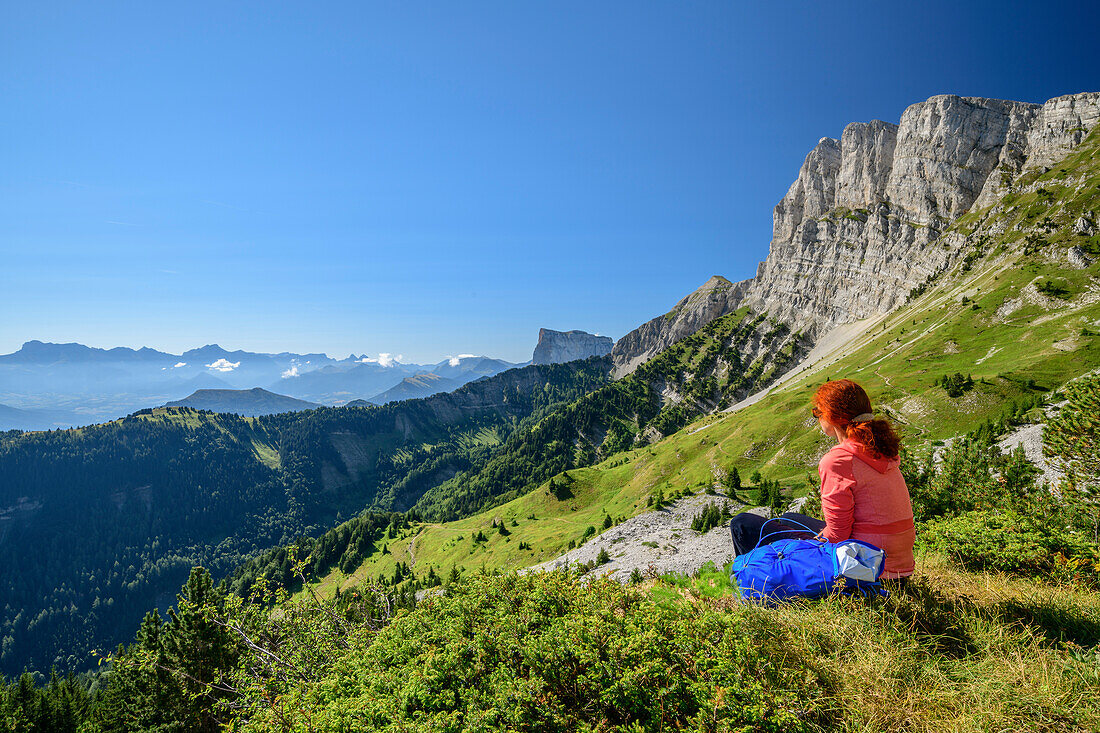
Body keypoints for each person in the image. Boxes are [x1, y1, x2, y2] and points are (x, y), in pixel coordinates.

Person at [729, 378, 916, 584]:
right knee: (790, 516)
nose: (818, 418)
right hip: (898, 565)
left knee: (742, 524)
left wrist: (807, 546)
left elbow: (837, 535)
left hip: (866, 568)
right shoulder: (879, 449)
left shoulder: (838, 460)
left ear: (832, 417)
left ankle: (754, 587)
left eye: (818, 412)